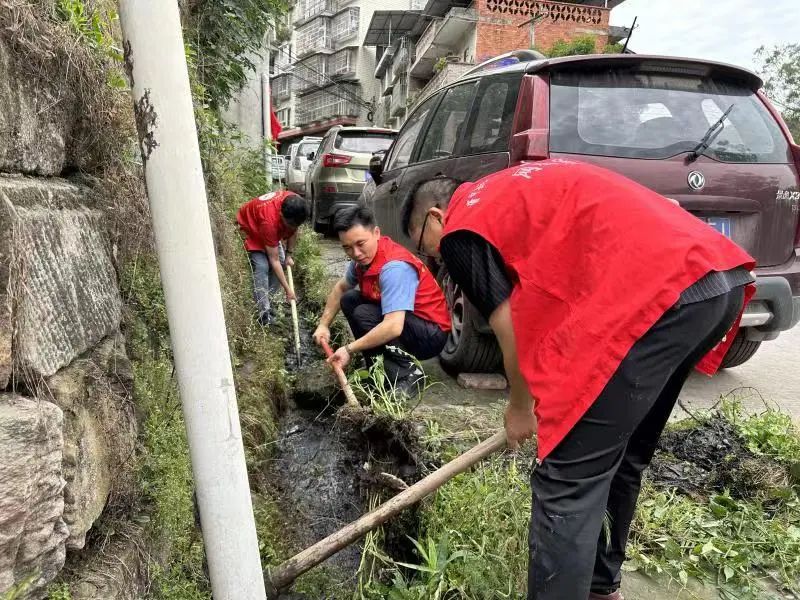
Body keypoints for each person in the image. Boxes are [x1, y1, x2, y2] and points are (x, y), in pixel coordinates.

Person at [401, 160, 755, 600]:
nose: (434, 259)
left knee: (565, 481)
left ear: (435, 216)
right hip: (715, 282)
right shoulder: (511, 188)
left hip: (664, 297)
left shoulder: (463, 223)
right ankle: (600, 588)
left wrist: (520, 407)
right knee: (622, 455)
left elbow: (507, 323)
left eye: (425, 247)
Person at [312, 206, 451, 396]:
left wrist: (348, 349)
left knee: (364, 314)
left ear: (376, 233)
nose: (356, 253)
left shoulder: (394, 267)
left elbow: (393, 327)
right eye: (347, 247)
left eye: (361, 243)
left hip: (430, 334)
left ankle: (409, 374)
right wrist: (323, 325)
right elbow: (341, 288)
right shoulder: (362, 261)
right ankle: (378, 369)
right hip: (407, 322)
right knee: (350, 299)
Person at [237, 190, 308, 326]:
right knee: (262, 267)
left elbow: (294, 229)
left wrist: (289, 255)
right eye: (290, 225)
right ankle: (263, 312)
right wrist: (288, 290)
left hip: (268, 227)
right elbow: (273, 261)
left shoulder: (295, 204)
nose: (293, 228)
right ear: (281, 215)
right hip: (252, 228)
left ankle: (269, 302)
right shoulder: (268, 222)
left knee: (281, 263)